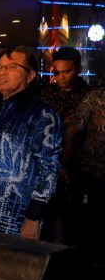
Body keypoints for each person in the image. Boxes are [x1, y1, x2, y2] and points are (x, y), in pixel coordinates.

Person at [0, 47, 63, 239]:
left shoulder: (42, 113)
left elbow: (49, 169)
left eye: (12, 66)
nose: (2, 72)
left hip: (15, 215)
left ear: (30, 75)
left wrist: (34, 217)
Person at [37, 47, 90, 242]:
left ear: (78, 69)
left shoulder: (89, 95)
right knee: (45, 220)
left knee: (74, 222)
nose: (61, 77)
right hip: (46, 165)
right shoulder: (45, 94)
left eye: (66, 72)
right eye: (57, 72)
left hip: (78, 167)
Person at [64, 87, 105, 249]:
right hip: (92, 172)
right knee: (87, 219)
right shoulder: (95, 97)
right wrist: (64, 159)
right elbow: (73, 129)